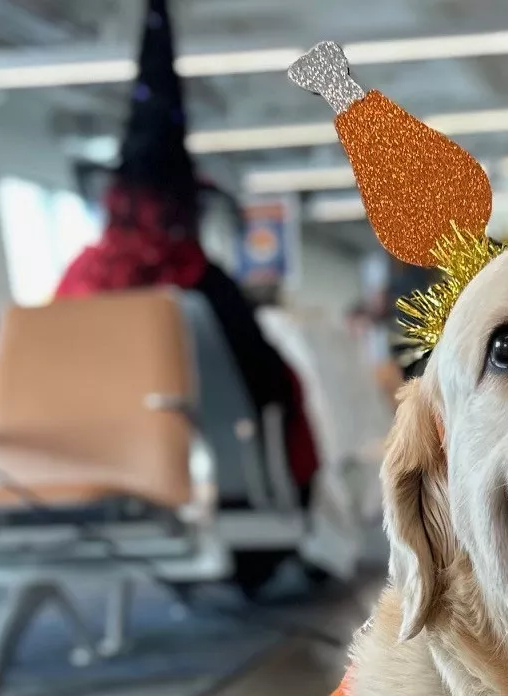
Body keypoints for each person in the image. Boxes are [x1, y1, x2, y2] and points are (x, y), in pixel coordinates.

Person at [55, 0, 316, 494]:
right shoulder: (204, 290)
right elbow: (271, 393)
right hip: (217, 488)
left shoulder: (77, 285)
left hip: (83, 479)